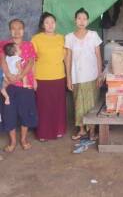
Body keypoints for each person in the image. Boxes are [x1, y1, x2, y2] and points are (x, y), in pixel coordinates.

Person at [65, 8, 103, 141]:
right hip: (77, 77)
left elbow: (98, 56)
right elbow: (68, 59)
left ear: (88, 21)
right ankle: (81, 130)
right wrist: (69, 78)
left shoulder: (93, 35)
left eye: (84, 19)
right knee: (78, 104)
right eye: (79, 18)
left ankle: (92, 131)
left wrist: (100, 74)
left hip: (92, 75)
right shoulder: (69, 37)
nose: (81, 21)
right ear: (75, 20)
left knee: (91, 104)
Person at [0, 19, 38, 152]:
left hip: (25, 86)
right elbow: (2, 61)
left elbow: (31, 63)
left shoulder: (29, 45)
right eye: (13, 28)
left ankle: (23, 139)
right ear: (9, 30)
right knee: (9, 113)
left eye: (20, 28)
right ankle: (13, 141)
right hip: (9, 86)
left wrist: (23, 77)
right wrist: (9, 76)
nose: (16, 31)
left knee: (26, 113)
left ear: (24, 29)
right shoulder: (4, 44)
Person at [31, 12, 67, 142]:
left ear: (55, 24)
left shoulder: (62, 38)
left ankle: (58, 130)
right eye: (47, 22)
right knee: (43, 106)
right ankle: (43, 133)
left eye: (52, 22)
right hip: (42, 78)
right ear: (42, 25)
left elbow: (66, 58)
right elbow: (32, 60)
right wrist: (33, 79)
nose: (50, 25)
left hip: (58, 76)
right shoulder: (36, 39)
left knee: (58, 105)